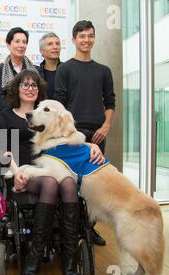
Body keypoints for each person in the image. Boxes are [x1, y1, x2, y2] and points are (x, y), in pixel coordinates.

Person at [0, 70, 105, 275]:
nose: (29, 89)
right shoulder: (6, 116)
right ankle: (32, 264)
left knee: (69, 183)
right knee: (52, 182)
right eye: (24, 85)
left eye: (34, 85)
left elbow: (68, 135)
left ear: (39, 90)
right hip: (22, 172)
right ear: (17, 89)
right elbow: (3, 153)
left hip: (52, 169)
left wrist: (91, 145)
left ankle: (69, 263)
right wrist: (16, 174)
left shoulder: (46, 114)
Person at [55, 20, 116, 246]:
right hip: (73, 135)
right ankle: (70, 231)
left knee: (95, 186)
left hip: (99, 133)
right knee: (71, 183)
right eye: (82, 36)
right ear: (73, 40)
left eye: (90, 36)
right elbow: (60, 106)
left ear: (94, 38)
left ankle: (90, 230)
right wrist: (72, 134)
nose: (86, 40)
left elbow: (110, 102)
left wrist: (106, 125)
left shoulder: (104, 71)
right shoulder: (65, 69)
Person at [0, 27, 41, 115]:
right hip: (6, 120)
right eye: (17, 41)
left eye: (24, 42)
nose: (21, 45)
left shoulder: (36, 70)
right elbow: (0, 97)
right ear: (8, 44)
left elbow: (39, 97)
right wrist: (17, 114)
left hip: (29, 118)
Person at [38, 32, 62, 99]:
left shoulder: (68, 70)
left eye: (57, 44)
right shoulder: (36, 74)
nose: (55, 47)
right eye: (50, 44)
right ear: (41, 51)